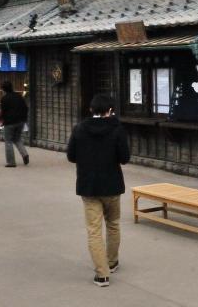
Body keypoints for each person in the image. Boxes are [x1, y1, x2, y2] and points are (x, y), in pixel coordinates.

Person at [67, 94, 130, 287]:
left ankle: (102, 275)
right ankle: (112, 262)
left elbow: (71, 156)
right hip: (112, 186)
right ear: (110, 110)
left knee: (94, 230)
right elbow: (125, 158)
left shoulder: (79, 129)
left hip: (89, 187)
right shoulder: (117, 129)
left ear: (91, 110)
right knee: (113, 224)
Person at [0, 80, 29, 167]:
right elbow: (25, 108)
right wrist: (24, 119)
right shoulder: (18, 96)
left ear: (3, 89)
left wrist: (2, 121)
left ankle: (11, 162)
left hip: (9, 123)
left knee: (8, 141)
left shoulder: (4, 99)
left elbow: (3, 111)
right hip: (20, 121)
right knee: (17, 139)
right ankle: (25, 154)